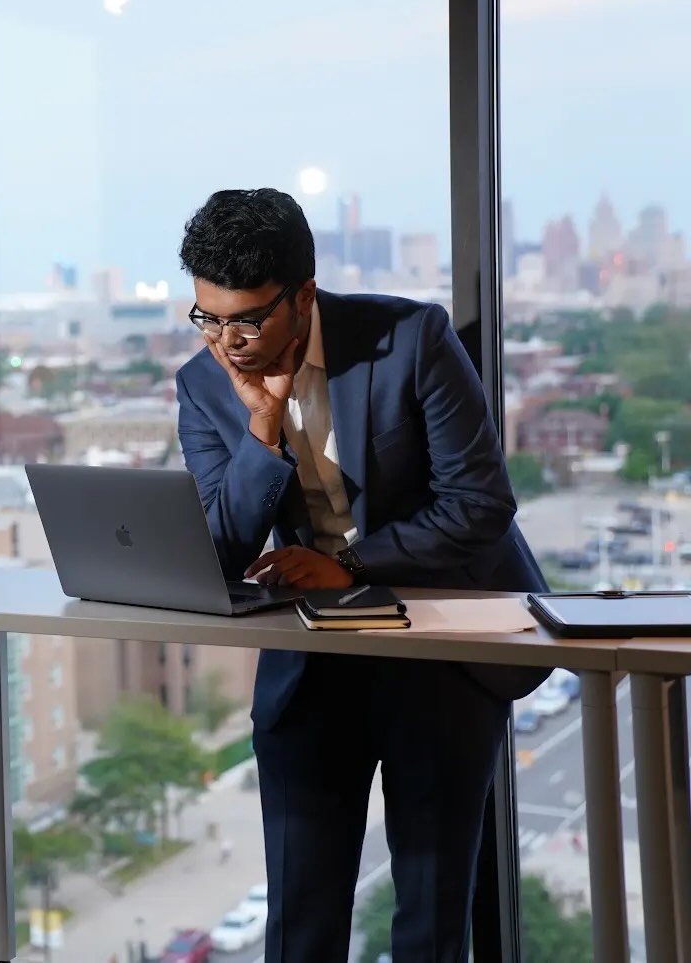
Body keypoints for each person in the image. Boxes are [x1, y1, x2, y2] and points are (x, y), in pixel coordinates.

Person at [172, 189, 549, 963]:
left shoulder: (411, 338)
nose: (227, 341)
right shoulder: (203, 383)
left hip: (440, 657)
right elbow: (222, 545)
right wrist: (261, 430)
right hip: (314, 667)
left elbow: (480, 504)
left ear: (303, 294)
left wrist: (346, 564)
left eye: (246, 319)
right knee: (300, 927)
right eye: (208, 318)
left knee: (430, 925)